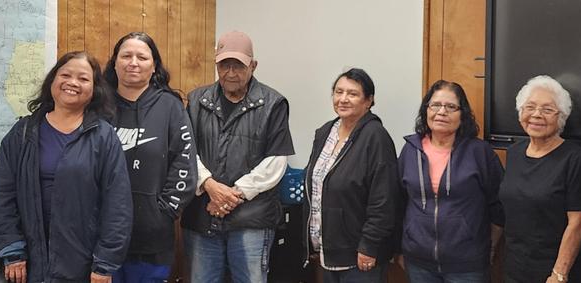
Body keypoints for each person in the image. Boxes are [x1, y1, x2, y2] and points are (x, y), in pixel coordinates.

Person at [0, 51, 132, 283]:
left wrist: (104, 264)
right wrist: (12, 251)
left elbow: (117, 206)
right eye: (65, 75)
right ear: (53, 80)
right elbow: (2, 196)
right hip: (25, 266)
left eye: (83, 79)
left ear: (94, 90)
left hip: (81, 266)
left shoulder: (104, 137)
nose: (72, 83)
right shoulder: (22, 133)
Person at [181, 30, 295, 283]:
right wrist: (209, 185)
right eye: (224, 65)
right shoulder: (197, 100)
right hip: (203, 217)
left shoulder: (274, 103)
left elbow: (276, 162)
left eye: (238, 65)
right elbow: (185, 151)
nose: (231, 73)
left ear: (253, 66)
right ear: (216, 65)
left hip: (252, 220)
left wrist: (231, 195)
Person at [103, 32, 197, 282]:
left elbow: (184, 163)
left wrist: (164, 211)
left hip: (152, 240)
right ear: (114, 62)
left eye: (142, 57)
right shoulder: (98, 106)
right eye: (126, 56)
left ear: (154, 64)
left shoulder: (170, 106)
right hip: (101, 237)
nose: (133, 62)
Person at [396, 80, 504, 283]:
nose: (442, 112)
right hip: (418, 262)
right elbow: (399, 202)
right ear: (426, 110)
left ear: (462, 114)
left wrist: (490, 247)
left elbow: (498, 205)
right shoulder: (410, 150)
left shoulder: (480, 152)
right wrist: (399, 249)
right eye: (435, 105)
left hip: (467, 265)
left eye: (451, 107)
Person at [300, 68, 399, 283]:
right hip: (328, 250)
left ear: (368, 101)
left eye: (352, 94)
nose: (343, 99)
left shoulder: (376, 137)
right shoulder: (325, 132)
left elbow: (384, 200)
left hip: (360, 255)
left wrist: (369, 246)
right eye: (338, 92)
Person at [499, 75, 581, 283]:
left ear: (561, 117)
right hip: (517, 268)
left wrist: (559, 274)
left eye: (547, 110)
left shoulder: (575, 158)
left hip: (559, 272)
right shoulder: (514, 153)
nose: (536, 115)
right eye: (530, 107)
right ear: (520, 113)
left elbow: (577, 223)